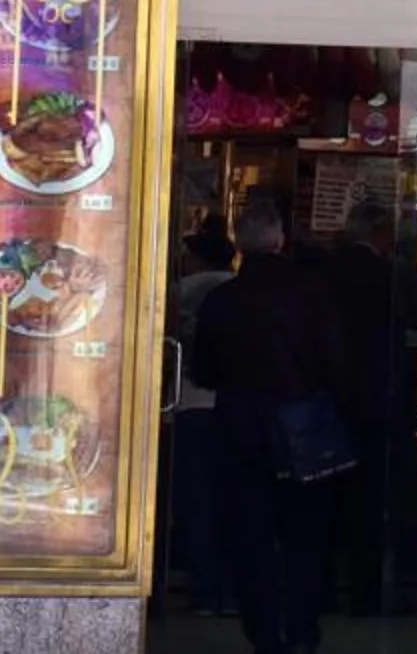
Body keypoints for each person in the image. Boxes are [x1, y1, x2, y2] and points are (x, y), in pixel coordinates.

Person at [192, 200, 344, 654]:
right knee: (305, 539)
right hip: (304, 431)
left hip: (240, 431)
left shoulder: (222, 300)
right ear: (280, 239)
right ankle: (301, 631)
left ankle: (263, 634)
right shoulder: (314, 292)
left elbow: (203, 370)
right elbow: (337, 363)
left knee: (249, 538)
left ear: (239, 244)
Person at [167, 221, 237, 617]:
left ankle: (204, 590)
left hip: (191, 403)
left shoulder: (185, 291)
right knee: (233, 501)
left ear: (197, 258)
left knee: (197, 504)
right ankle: (230, 589)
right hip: (234, 408)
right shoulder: (243, 289)